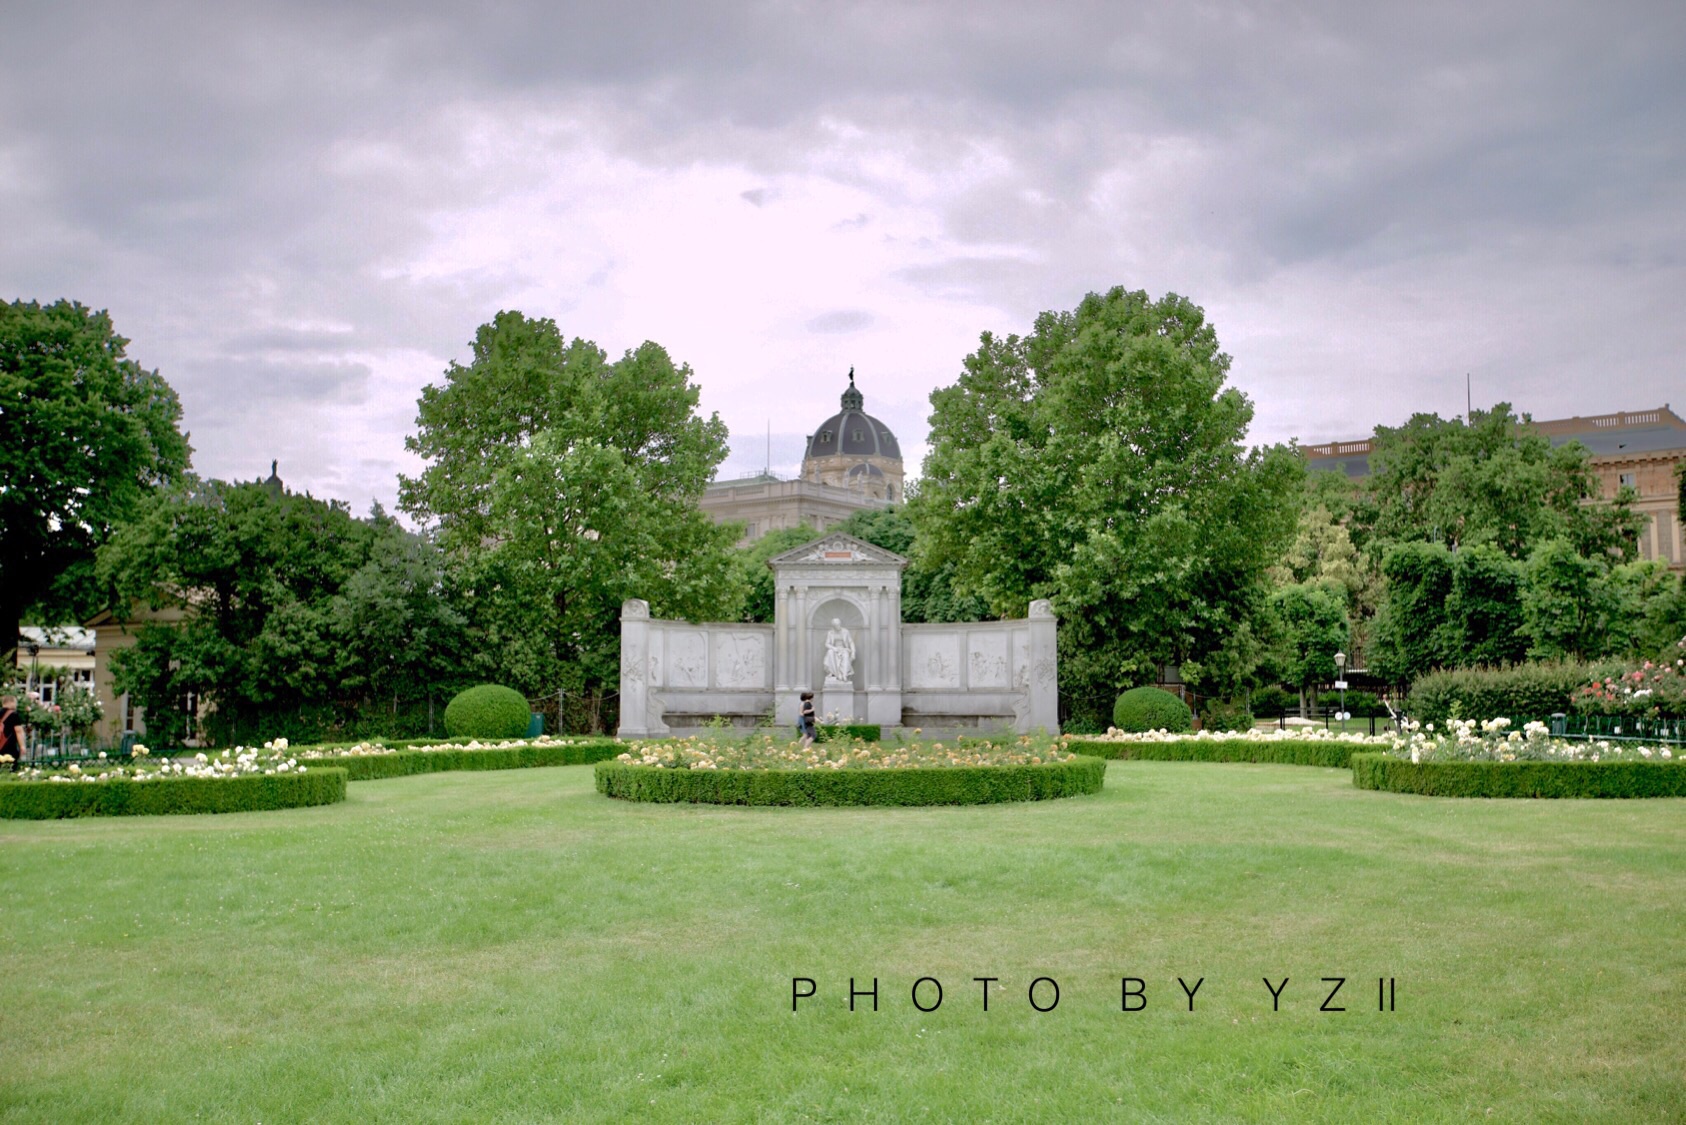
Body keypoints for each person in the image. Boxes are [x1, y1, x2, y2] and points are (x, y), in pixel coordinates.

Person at [0, 694, 26, 771]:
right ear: (11, 702)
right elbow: (18, 731)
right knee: (10, 768)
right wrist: (22, 746)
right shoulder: (14, 715)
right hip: (9, 747)